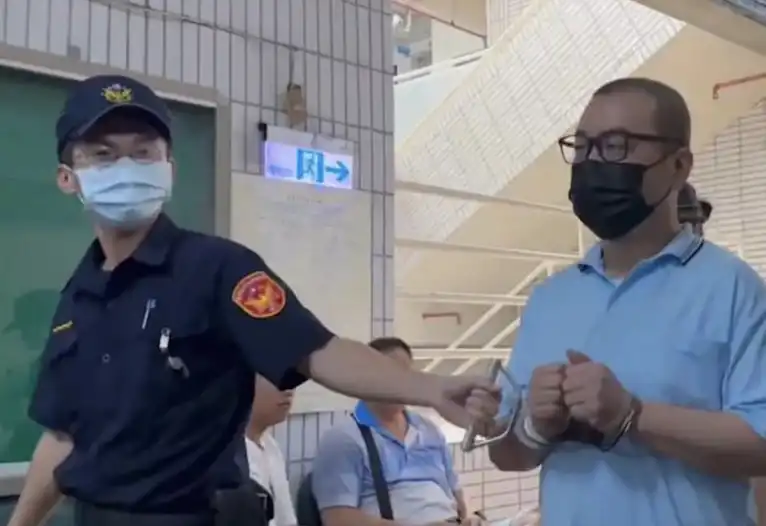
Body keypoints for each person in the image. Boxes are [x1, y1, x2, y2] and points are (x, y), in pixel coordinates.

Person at [7, 75, 497, 526]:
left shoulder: (217, 268)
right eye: (104, 154)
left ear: (169, 169)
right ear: (68, 177)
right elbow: (62, 435)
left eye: (143, 152)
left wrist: (431, 389)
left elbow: (318, 350)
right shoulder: (78, 296)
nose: (126, 168)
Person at [465, 77, 766, 526]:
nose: (592, 164)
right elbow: (510, 457)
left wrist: (632, 414)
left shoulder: (733, 288)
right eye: (582, 147)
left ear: (678, 165)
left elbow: (760, 444)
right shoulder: (550, 298)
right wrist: (534, 426)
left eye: (616, 146)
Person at [312, 337, 482, 526]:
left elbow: (457, 491)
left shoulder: (428, 430)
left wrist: (471, 517)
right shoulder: (343, 439)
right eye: (390, 374)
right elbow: (337, 520)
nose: (400, 384)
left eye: (405, 375)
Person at [245, 376, 296, 526]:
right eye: (274, 377)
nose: (289, 390)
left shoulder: (270, 445)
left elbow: (288, 522)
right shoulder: (225, 456)